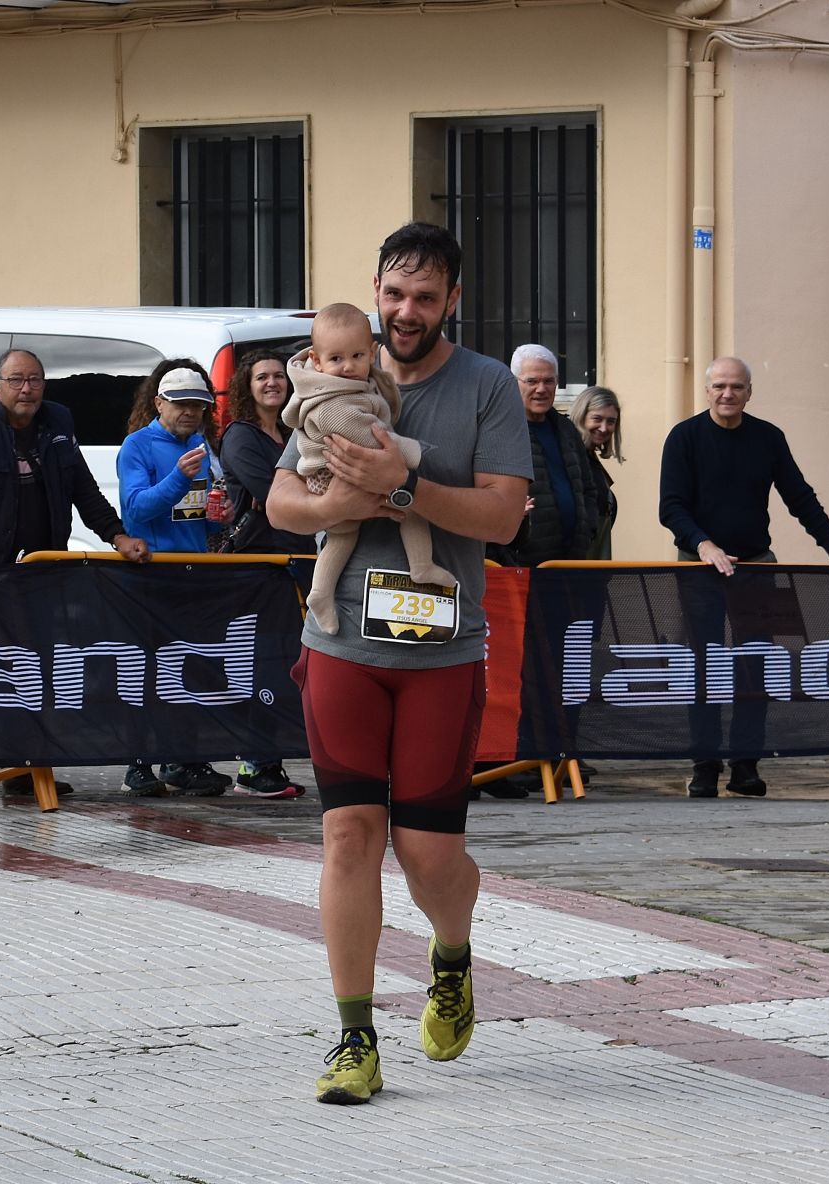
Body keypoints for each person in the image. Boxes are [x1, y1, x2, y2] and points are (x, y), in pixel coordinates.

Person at [266, 222, 530, 1105]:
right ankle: (353, 1038)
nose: (405, 312)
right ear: (374, 292)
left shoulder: (487, 386)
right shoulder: (338, 372)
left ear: (451, 299)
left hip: (440, 653)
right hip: (340, 643)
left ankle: (450, 957)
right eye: (393, 294)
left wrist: (404, 488)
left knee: (428, 857)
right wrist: (341, 497)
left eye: (425, 297)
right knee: (349, 834)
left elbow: (502, 520)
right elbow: (278, 504)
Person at [0, 346, 148, 802]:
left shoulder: (59, 422)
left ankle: (25, 766)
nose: (27, 389)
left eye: (35, 380)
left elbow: (83, 488)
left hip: (40, 573)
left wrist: (116, 535)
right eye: (16, 380)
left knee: (35, 669)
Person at [659, 356, 829, 799]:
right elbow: (671, 507)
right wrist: (704, 544)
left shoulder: (768, 437)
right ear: (707, 390)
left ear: (749, 392)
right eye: (719, 387)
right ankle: (704, 765)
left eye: (736, 387)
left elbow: (800, 497)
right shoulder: (684, 437)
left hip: (756, 564)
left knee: (756, 666)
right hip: (699, 565)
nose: (727, 394)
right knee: (703, 667)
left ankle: (746, 765)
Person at [283, 303, 454, 633]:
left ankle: (321, 593)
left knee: (344, 536)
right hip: (333, 476)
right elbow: (369, 436)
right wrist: (414, 452)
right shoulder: (329, 399)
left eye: (357, 357)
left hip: (343, 471)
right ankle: (420, 566)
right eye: (336, 359)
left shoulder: (353, 384)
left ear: (373, 352)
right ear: (317, 361)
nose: (348, 367)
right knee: (409, 505)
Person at [114, 363, 235, 798]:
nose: (190, 413)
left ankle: (184, 759)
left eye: (199, 406)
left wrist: (218, 518)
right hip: (151, 574)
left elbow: (196, 517)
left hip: (194, 571)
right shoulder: (137, 445)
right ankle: (138, 762)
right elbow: (136, 510)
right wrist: (178, 478)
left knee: (189, 667)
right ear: (159, 403)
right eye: (181, 404)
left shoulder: (202, 444)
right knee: (146, 669)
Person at [218, 349, 313, 800]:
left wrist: (296, 494)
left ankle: (269, 759)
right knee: (263, 666)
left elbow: (311, 488)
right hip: (258, 569)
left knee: (289, 663)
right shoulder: (240, 436)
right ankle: (255, 765)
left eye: (279, 375)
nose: (272, 383)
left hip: (298, 563)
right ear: (246, 386)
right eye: (262, 377)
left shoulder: (296, 432)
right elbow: (271, 493)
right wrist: (294, 493)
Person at [494, 344, 604, 568]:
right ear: (513, 383)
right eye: (532, 381)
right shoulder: (498, 431)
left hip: (571, 564)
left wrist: (587, 529)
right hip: (519, 566)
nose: (542, 389)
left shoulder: (566, 429)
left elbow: (588, 489)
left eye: (549, 381)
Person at [568, 385, 624, 559]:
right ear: (581, 416)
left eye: (611, 421)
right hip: (574, 568)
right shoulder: (569, 458)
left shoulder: (590, 461)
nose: (603, 427)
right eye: (597, 418)